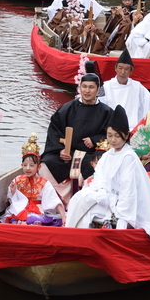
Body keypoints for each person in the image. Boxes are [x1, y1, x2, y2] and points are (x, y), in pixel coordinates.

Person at [65, 105, 150, 239]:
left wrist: (114, 205)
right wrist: (101, 194)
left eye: (117, 136)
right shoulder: (107, 155)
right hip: (106, 198)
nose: (113, 140)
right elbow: (99, 178)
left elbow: (128, 191)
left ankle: (84, 238)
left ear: (125, 136)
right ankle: (73, 236)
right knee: (79, 199)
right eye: (110, 135)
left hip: (125, 203)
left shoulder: (129, 157)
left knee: (95, 208)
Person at [40, 70, 113, 203]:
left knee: (96, 167)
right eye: (84, 86)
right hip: (68, 152)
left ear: (98, 90)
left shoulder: (107, 112)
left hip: (92, 153)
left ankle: (83, 203)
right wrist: (60, 150)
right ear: (79, 87)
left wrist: (95, 140)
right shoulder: (66, 109)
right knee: (46, 164)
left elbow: (113, 134)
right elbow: (54, 130)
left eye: (91, 87)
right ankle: (61, 201)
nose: (87, 91)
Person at [3, 133, 66, 226]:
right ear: (21, 166)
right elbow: (11, 200)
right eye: (25, 165)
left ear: (38, 167)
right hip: (21, 209)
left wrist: (63, 216)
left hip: (39, 209)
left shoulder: (44, 183)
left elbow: (54, 200)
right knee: (16, 220)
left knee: (35, 221)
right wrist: (13, 192)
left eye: (31, 165)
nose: (28, 168)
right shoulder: (17, 180)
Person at [101, 49, 150, 130]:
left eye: (126, 69)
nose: (122, 72)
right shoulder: (105, 86)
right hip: (110, 128)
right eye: (120, 68)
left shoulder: (137, 86)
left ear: (131, 71)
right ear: (115, 68)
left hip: (133, 127)